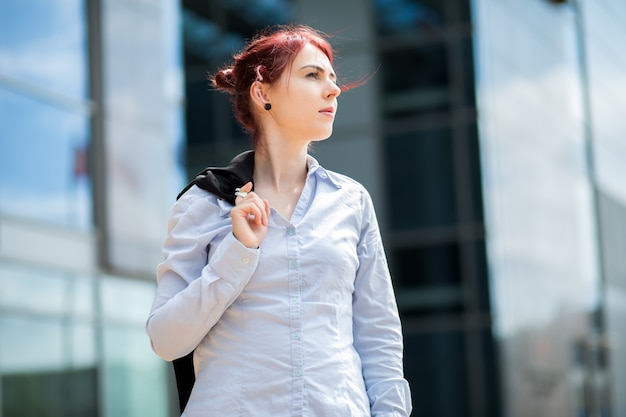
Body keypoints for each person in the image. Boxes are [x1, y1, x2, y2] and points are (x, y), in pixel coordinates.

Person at [146, 24, 412, 417]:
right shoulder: (205, 202)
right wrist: (239, 252)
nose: (333, 89)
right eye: (312, 75)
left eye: (333, 78)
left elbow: (379, 335)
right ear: (262, 92)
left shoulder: (351, 201)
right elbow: (165, 340)